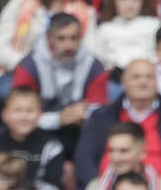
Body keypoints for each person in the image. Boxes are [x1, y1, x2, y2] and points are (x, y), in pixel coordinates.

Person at [73, 59, 161, 189]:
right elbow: (84, 162)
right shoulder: (100, 117)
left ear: (157, 83)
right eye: (136, 77)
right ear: (124, 82)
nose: (142, 82)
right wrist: (105, 189)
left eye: (149, 77)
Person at [10, 13, 106, 162]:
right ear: (49, 39)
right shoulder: (29, 66)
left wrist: (83, 114)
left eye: (74, 38)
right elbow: (19, 115)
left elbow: (100, 111)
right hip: (39, 130)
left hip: (80, 130)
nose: (68, 45)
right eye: (61, 38)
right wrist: (58, 119)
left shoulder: (94, 66)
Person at [0, 87, 67, 190]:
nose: (24, 117)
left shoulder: (51, 146)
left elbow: (54, 189)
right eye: (18, 111)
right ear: (5, 115)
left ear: (40, 114)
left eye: (30, 111)